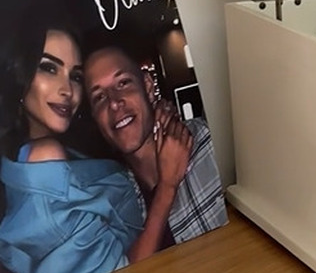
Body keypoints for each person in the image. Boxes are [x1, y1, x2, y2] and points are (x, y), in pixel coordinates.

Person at [0, 14, 191, 273]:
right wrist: (167, 188)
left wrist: (154, 116)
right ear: (20, 74)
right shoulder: (44, 157)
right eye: (49, 69)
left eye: (75, 76)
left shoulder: (49, 152)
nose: (67, 90)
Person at [83, 45, 227, 247]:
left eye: (123, 83)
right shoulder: (115, 205)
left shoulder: (210, 145)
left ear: (148, 88)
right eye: (99, 97)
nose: (114, 103)